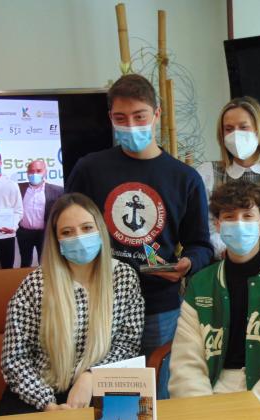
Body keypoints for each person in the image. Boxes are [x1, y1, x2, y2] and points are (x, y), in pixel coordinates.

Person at [66, 73, 212, 369]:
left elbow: (201, 245)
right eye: (121, 118)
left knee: (157, 395)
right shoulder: (89, 169)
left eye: (139, 116)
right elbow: (63, 230)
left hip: (158, 306)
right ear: (110, 118)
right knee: (100, 393)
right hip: (98, 302)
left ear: (156, 114)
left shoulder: (185, 179)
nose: (131, 126)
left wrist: (187, 264)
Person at [169, 180, 260, 420]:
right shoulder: (202, 283)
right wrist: (203, 414)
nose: (238, 224)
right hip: (209, 399)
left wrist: (250, 416)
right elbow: (186, 361)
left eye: (247, 216)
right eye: (229, 217)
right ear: (217, 225)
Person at [0, 193, 145, 414]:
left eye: (87, 228)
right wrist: (47, 403)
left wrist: (91, 376)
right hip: (39, 394)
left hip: (102, 387)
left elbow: (127, 345)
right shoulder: (36, 285)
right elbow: (15, 359)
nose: (78, 237)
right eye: (67, 232)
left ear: (100, 230)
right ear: (56, 240)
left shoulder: (124, 277)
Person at [196, 96, 260, 258]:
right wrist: (231, 251)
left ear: (259, 130)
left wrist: (249, 251)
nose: (236, 135)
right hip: (224, 266)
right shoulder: (207, 173)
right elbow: (206, 232)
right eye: (229, 129)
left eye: (244, 127)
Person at [17, 159, 63, 267]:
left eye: (38, 171)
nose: (35, 174)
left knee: (45, 263)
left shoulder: (58, 191)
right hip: (24, 233)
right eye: (31, 171)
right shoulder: (18, 188)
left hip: (45, 233)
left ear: (45, 172)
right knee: (25, 262)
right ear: (27, 173)